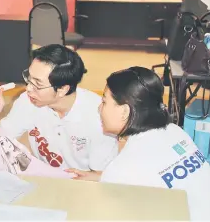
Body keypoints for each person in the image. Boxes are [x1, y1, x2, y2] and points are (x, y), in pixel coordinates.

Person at [68, 67, 210, 221]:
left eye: (104, 101)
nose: (99, 108)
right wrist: (99, 177)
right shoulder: (174, 131)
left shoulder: (125, 166)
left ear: (124, 111)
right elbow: (154, 176)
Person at [0, 44, 118, 171]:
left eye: (37, 84)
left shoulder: (99, 116)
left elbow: (102, 174)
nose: (28, 88)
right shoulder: (28, 101)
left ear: (62, 89)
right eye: (29, 78)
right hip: (45, 178)